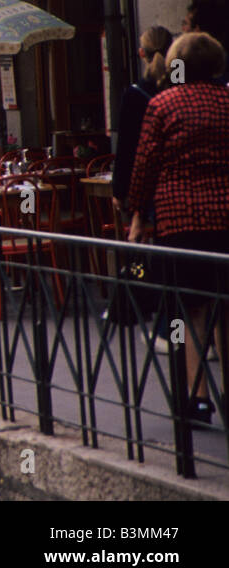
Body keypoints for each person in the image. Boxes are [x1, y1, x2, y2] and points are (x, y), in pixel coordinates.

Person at [126, 32, 229, 427]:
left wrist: (139, 216)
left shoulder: (163, 104)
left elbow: (146, 164)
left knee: (188, 312)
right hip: (224, 220)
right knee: (225, 309)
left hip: (180, 221)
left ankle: (198, 397)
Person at [112, 26, 173, 214]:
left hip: (148, 183)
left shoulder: (135, 94)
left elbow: (126, 146)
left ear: (141, 53)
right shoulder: (182, 89)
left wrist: (119, 190)